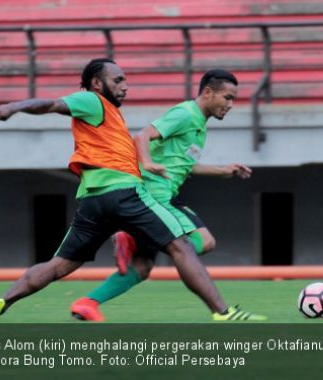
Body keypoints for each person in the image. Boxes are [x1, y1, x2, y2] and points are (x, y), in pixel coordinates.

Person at [0, 59, 266, 322]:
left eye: (125, 81)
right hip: (125, 193)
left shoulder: (108, 113)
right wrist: (14, 107)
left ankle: (3, 302)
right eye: (118, 80)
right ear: (96, 83)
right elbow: (52, 104)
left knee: (60, 265)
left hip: (93, 200)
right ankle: (223, 311)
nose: (125, 86)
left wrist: (221, 169)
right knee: (182, 246)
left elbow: (174, 160)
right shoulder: (92, 101)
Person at [78, 69, 254, 322]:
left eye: (233, 99)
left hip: (162, 193)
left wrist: (223, 170)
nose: (230, 105)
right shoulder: (185, 114)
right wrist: (147, 163)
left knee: (142, 267)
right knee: (203, 241)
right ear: (207, 93)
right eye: (227, 97)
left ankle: (87, 303)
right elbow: (142, 136)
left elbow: (183, 165)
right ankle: (222, 312)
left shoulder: (199, 125)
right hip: (155, 195)